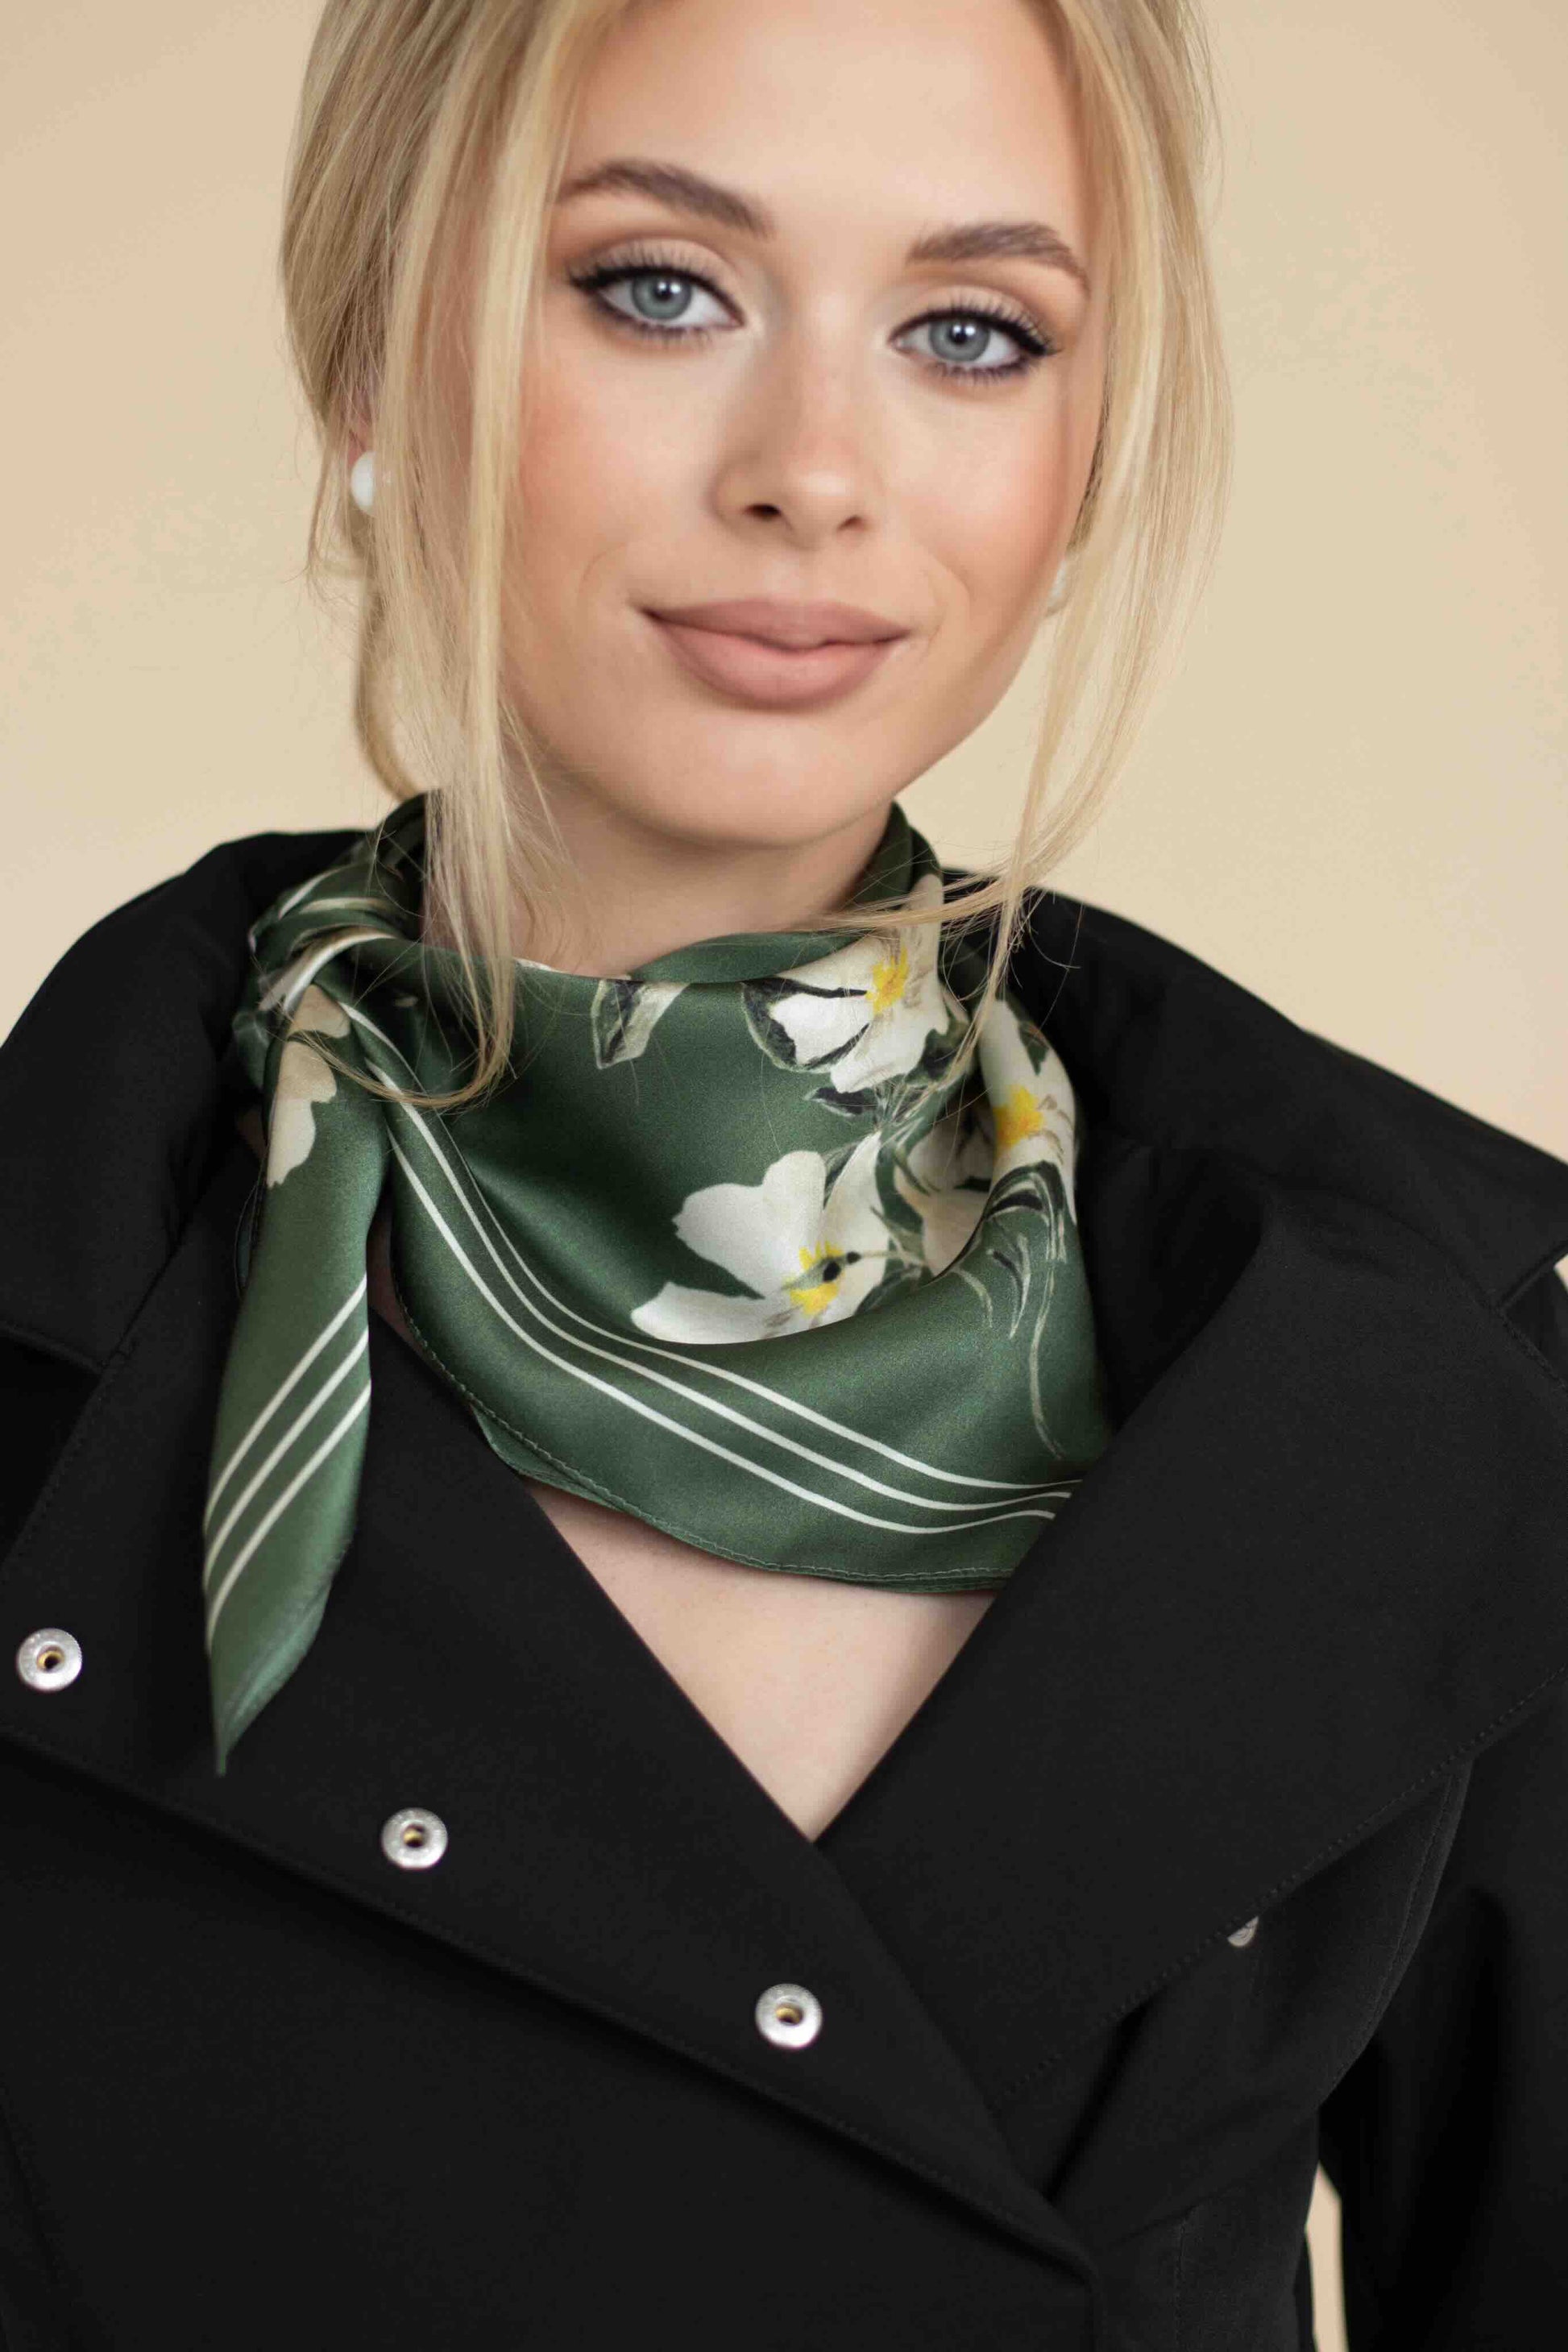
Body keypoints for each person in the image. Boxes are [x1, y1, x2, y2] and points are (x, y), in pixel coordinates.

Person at [2, 0, 1566, 2343]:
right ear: (369, 363)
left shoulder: (1425, 1363)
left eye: (969, 332)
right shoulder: (61, 1315)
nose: (814, 470)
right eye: (655, 288)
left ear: (1081, 461)